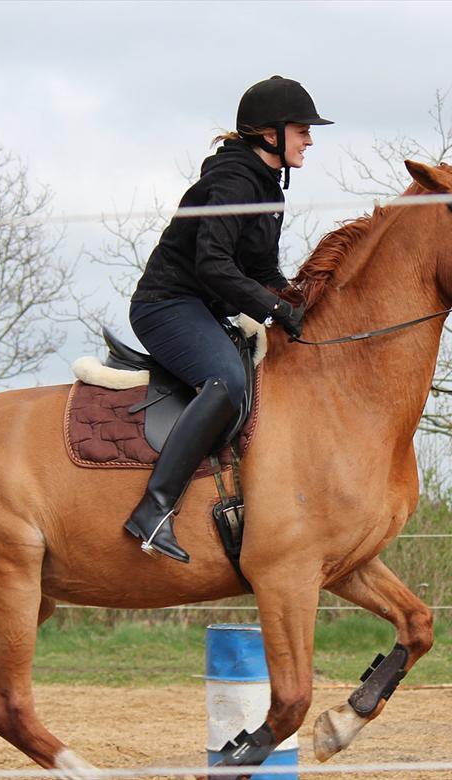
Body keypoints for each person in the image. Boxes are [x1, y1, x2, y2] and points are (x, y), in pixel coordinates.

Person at [123, 76, 333, 563]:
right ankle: (153, 510)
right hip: (165, 305)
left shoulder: (268, 191)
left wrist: (299, 303)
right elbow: (212, 265)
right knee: (226, 380)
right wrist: (275, 309)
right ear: (269, 134)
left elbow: (259, 270)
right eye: (302, 130)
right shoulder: (232, 182)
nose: (310, 140)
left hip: (203, 308)